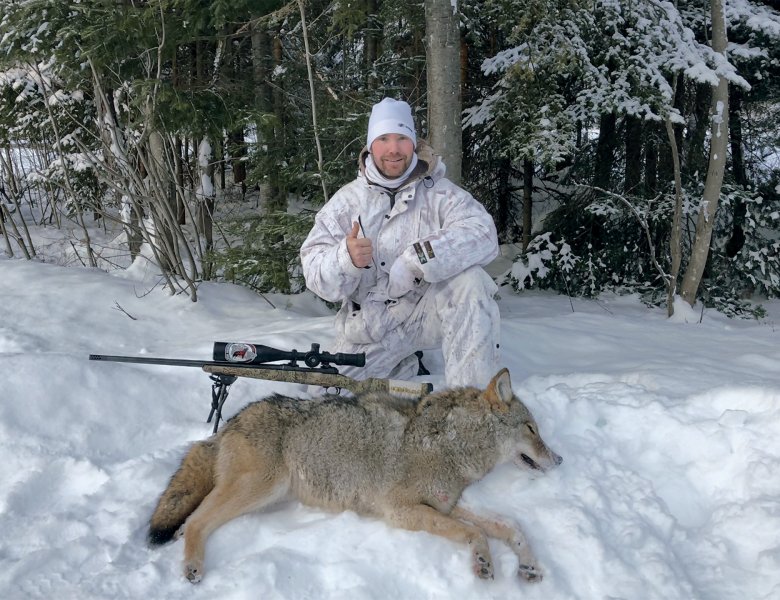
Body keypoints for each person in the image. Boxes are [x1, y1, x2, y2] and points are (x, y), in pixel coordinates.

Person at [300, 98, 500, 388]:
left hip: (424, 312)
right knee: (329, 399)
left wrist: (417, 258)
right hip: (370, 327)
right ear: (370, 146)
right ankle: (402, 369)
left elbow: (483, 234)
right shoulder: (346, 202)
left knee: (471, 282)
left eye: (401, 139)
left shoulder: (440, 194)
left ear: (414, 144)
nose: (393, 149)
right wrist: (346, 259)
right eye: (383, 139)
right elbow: (315, 274)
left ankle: (472, 406)